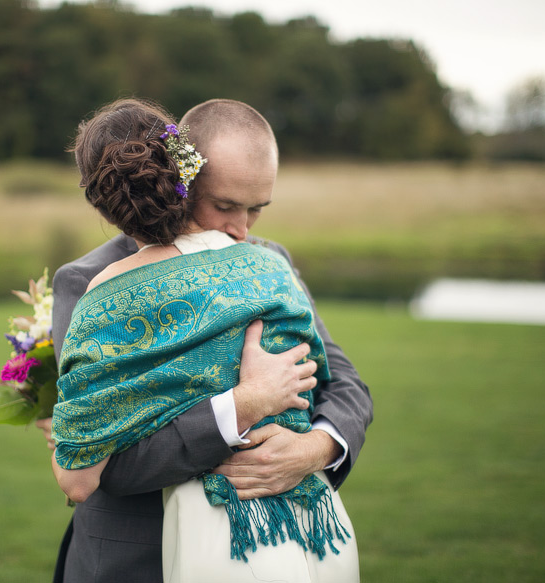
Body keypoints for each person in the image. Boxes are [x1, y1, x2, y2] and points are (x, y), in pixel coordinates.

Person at [40, 98, 373, 582]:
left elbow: (344, 384)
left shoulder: (270, 258)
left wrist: (313, 449)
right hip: (132, 562)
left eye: (256, 209)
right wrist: (240, 409)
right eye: (224, 206)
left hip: (272, 552)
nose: (241, 230)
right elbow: (105, 469)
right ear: (180, 180)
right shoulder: (88, 281)